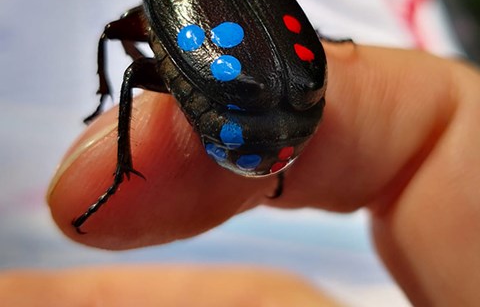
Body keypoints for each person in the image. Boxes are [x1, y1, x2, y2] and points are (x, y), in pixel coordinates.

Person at [2, 43, 479, 306]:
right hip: (280, 131)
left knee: (132, 73)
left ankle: (122, 170)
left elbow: (126, 41)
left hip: (252, 132)